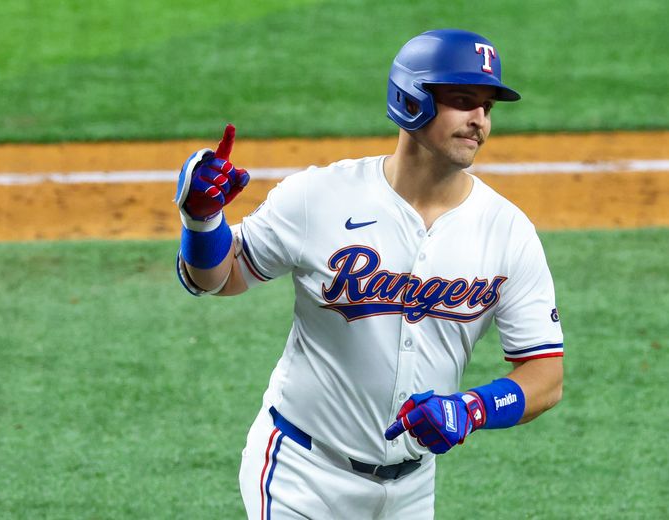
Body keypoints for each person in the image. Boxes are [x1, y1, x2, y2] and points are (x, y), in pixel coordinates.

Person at [174, 28, 564, 519]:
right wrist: (202, 220)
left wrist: (473, 408)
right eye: (463, 101)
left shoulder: (508, 231)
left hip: (412, 489)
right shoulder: (320, 196)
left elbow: (546, 377)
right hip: (302, 472)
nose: (479, 121)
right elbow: (220, 277)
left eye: (487, 106)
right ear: (411, 100)